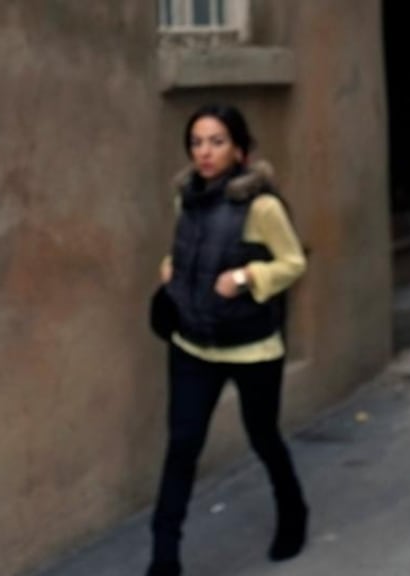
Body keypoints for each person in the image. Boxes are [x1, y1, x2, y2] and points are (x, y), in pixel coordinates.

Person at [146, 104, 308, 576]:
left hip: (252, 348)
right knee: (183, 445)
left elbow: (293, 262)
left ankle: (293, 513)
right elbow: (188, 248)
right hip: (193, 344)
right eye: (197, 142)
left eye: (216, 141)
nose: (205, 152)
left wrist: (245, 276)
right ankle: (163, 556)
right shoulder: (186, 199)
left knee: (263, 437)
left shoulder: (262, 206)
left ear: (238, 149)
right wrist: (171, 268)